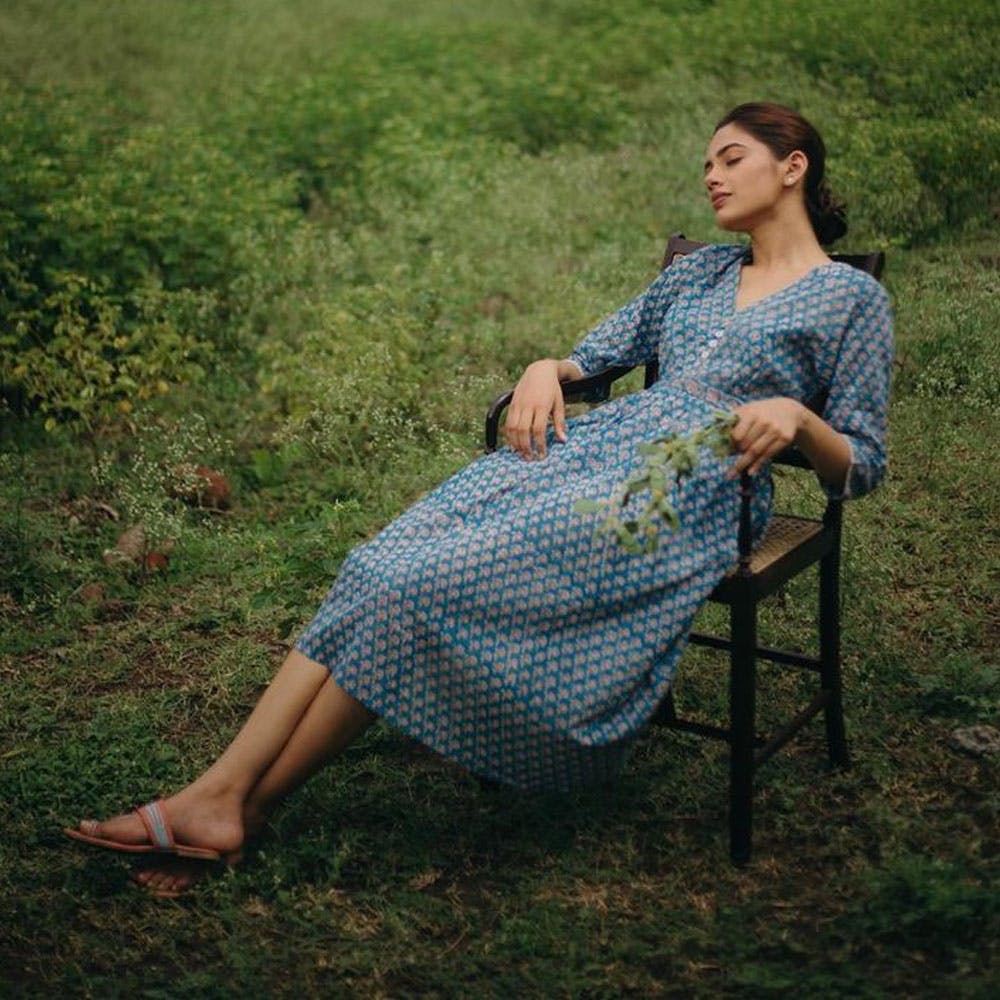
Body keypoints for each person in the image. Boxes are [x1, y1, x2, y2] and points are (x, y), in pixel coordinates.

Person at [64, 101, 893, 896]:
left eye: (730, 158)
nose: (711, 176)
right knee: (378, 566)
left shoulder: (854, 300)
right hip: (593, 452)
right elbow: (592, 357)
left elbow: (860, 466)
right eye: (706, 163)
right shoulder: (700, 273)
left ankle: (230, 804)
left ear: (793, 167)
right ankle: (223, 801)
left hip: (688, 490)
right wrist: (545, 368)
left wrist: (796, 418)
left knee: (415, 586)